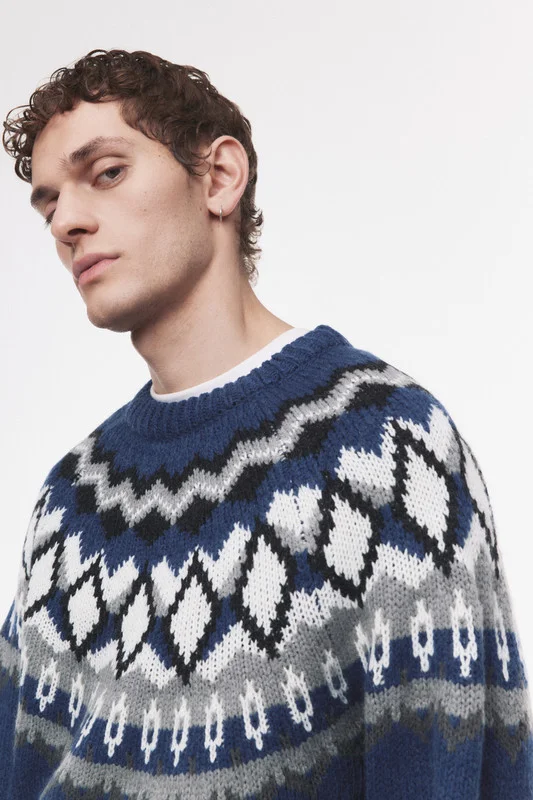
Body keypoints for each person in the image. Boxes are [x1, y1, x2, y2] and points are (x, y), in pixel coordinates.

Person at [0, 47, 532, 800]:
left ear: (220, 177)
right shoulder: (71, 502)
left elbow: (447, 766)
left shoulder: (385, 449)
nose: (68, 222)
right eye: (50, 203)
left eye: (107, 173)